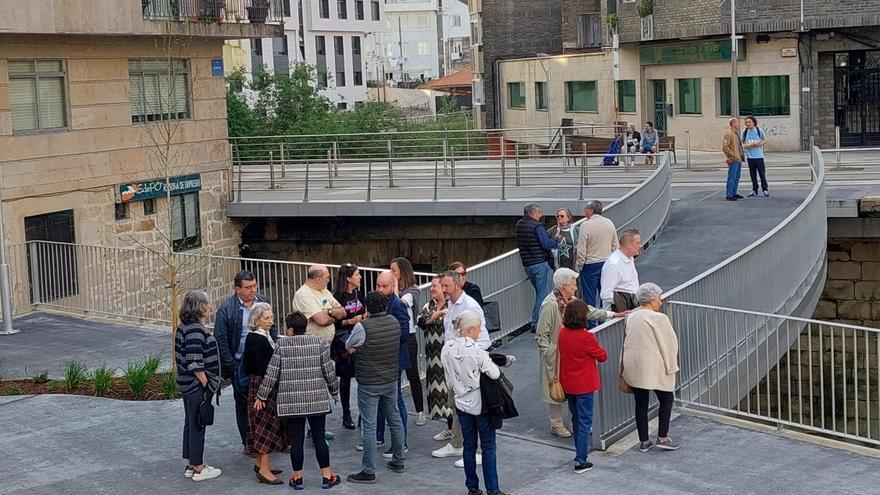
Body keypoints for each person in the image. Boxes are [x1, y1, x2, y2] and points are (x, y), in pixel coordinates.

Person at [255, 312, 342, 490]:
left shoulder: (282, 345)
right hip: (316, 400)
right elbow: (328, 371)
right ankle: (326, 476)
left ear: (291, 329)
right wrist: (334, 391)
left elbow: (272, 373)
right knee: (319, 438)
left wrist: (261, 395)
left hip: (291, 403)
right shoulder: (318, 343)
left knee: (296, 441)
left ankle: (298, 478)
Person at [536, 268, 620, 439]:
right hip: (555, 354)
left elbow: (589, 311)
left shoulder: (571, 301)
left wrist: (613, 315)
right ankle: (557, 424)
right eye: (573, 283)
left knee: (568, 387)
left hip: (566, 351)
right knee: (555, 387)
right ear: (564, 285)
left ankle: (575, 424)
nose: (575, 286)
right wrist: (548, 353)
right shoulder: (550, 305)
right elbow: (541, 334)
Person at [213, 270, 277, 457]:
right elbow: (221, 340)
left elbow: (272, 327)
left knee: (267, 402)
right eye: (248, 287)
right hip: (241, 365)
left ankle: (268, 441)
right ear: (237, 289)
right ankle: (248, 443)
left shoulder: (261, 301)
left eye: (254, 286)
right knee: (243, 404)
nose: (253, 290)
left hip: (264, 362)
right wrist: (232, 366)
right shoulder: (227, 310)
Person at [346, 291, 407, 484]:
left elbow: (349, 345)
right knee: (395, 419)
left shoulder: (361, 326)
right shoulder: (394, 322)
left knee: (369, 426)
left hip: (368, 382)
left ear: (367, 308)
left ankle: (369, 470)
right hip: (390, 379)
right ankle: (398, 460)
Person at [442, 310, 505, 495]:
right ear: (470, 330)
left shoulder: (447, 348)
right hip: (481, 404)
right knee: (488, 447)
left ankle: (472, 487)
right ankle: (493, 489)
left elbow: (449, 381)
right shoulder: (476, 350)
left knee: (469, 446)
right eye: (478, 328)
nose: (480, 332)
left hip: (461, 403)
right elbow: (494, 373)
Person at [433, 270, 491, 466]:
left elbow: (481, 338)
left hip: (468, 366)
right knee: (457, 405)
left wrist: (469, 360)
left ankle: (480, 449)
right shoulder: (452, 304)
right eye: (442, 286)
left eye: (446, 286)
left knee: (476, 407)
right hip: (456, 365)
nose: (443, 290)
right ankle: (457, 443)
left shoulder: (470, 306)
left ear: (457, 286)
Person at [622, 283, 681, 453]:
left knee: (641, 403)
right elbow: (669, 344)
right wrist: (671, 367)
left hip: (635, 365)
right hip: (654, 365)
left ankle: (644, 441)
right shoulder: (659, 318)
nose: (661, 302)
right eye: (659, 298)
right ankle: (662, 437)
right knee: (666, 399)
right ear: (652, 299)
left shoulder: (632, 316)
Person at [176, 290, 222, 482]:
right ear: (198, 307)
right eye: (207, 304)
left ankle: (190, 463)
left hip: (187, 384)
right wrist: (205, 383)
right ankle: (198, 467)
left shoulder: (184, 326)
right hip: (196, 386)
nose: (209, 307)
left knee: (190, 423)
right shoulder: (195, 329)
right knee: (197, 424)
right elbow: (194, 361)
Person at [558, 300, 608, 473]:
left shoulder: (562, 333)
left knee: (577, 419)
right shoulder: (586, 337)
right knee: (585, 422)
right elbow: (602, 356)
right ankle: (581, 459)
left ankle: (579, 454)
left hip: (569, 383)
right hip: (584, 384)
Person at [242, 302, 286, 485]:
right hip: (263, 386)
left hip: (261, 384)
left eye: (271, 317)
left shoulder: (261, 336)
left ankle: (261, 464)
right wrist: (262, 395)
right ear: (257, 320)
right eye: (266, 318)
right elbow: (262, 369)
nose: (271, 321)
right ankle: (264, 468)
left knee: (264, 423)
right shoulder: (258, 339)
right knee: (265, 424)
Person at [374, 271, 411, 458]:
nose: (380, 289)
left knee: (396, 402)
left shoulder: (397, 305)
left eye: (384, 286)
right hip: (383, 360)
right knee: (383, 401)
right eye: (378, 285)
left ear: (393, 286)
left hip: (394, 360)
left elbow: (404, 332)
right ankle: (380, 437)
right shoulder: (381, 303)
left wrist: (384, 334)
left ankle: (400, 443)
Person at [391, 257, 426, 426]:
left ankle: (420, 411)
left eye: (394, 271)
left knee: (413, 374)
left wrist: (394, 288)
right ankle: (394, 411)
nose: (392, 274)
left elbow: (401, 303)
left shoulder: (413, 291)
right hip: (393, 337)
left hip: (409, 337)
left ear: (402, 272)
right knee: (394, 375)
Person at [417, 277, 454, 440]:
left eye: (434, 286)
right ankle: (450, 428)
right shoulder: (429, 306)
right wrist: (437, 314)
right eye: (431, 286)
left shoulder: (451, 305)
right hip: (432, 357)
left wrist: (434, 317)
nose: (431, 289)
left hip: (447, 356)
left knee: (449, 393)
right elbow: (421, 322)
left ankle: (455, 431)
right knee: (439, 394)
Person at [331, 263, 365, 431]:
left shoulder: (359, 293)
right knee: (345, 377)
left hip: (359, 337)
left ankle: (362, 413)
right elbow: (334, 323)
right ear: (348, 278)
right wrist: (351, 321)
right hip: (344, 339)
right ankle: (346, 413)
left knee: (362, 376)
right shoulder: (337, 296)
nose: (360, 277)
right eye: (357, 275)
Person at [515, 202, 558, 330]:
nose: (541, 215)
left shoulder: (519, 225)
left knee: (539, 292)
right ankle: (536, 322)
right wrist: (556, 239)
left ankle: (537, 320)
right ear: (534, 213)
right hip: (540, 262)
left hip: (527, 264)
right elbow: (546, 244)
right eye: (539, 212)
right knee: (543, 293)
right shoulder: (537, 226)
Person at [575, 200, 619, 323]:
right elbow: (615, 245)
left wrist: (579, 266)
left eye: (586, 209)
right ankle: (606, 320)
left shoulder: (586, 225)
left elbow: (581, 249)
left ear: (591, 210)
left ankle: (592, 323)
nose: (584, 212)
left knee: (589, 296)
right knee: (605, 294)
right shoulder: (609, 223)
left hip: (590, 264)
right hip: (606, 262)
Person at [293, 264, 346, 345]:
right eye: (327, 278)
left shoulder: (325, 291)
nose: (329, 280)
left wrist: (328, 312)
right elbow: (322, 320)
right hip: (311, 345)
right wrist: (335, 317)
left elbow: (343, 312)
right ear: (318, 279)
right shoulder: (303, 294)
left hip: (326, 344)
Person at [600, 229, 641, 312]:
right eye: (638, 243)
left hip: (629, 310)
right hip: (617, 315)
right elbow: (605, 294)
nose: (640, 245)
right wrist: (628, 300)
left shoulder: (630, 259)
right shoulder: (614, 265)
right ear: (628, 244)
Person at [742, 116, 769, 198]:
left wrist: (761, 144)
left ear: (753, 122)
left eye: (749, 122)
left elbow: (765, 139)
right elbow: (742, 144)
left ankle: (765, 189)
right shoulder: (745, 131)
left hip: (759, 156)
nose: (747, 124)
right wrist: (751, 145)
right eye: (746, 122)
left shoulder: (759, 130)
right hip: (750, 157)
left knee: (762, 174)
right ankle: (755, 190)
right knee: (753, 175)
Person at [722, 117, 745, 201]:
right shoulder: (729, 134)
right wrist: (732, 156)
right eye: (738, 123)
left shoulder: (735, 134)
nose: (739, 124)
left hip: (738, 159)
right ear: (733, 124)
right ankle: (729, 194)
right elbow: (725, 147)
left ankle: (734, 193)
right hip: (734, 160)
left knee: (736, 177)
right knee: (732, 177)